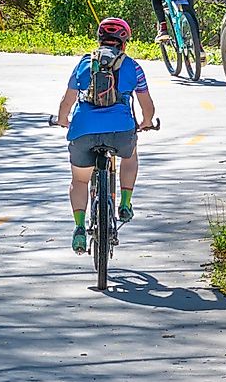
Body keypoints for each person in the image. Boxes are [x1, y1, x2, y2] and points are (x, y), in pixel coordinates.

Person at [54, 16, 159, 250]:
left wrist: (62, 120)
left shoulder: (84, 63)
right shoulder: (133, 66)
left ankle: (80, 227)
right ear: (124, 43)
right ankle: (125, 203)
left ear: (100, 39)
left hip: (83, 131)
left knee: (80, 180)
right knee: (129, 157)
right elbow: (147, 105)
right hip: (120, 131)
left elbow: (67, 101)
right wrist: (147, 122)